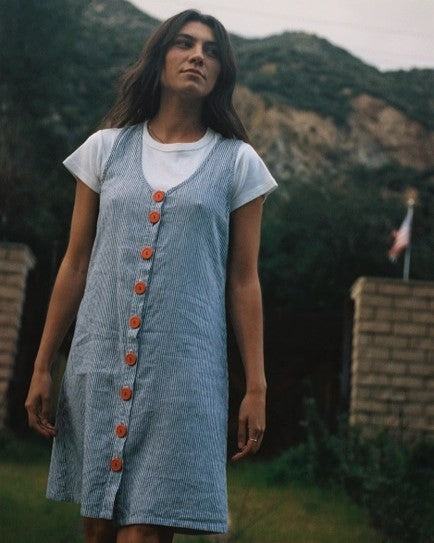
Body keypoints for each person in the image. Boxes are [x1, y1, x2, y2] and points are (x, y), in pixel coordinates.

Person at [25, 9, 277, 543]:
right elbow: (75, 262)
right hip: (99, 359)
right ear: (159, 58)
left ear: (221, 72)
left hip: (184, 374)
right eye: (185, 44)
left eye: (211, 50)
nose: (198, 56)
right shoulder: (105, 149)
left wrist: (255, 384)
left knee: (142, 535)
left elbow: (244, 281)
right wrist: (43, 363)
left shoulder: (239, 163)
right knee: (96, 529)